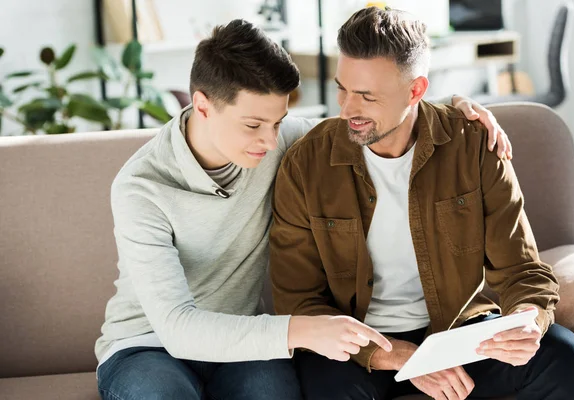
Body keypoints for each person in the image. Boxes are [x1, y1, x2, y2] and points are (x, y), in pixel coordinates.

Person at [95, 18, 513, 400]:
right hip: (148, 345)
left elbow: (380, 117)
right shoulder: (140, 188)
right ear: (202, 105)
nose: (268, 139)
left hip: (247, 342)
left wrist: (456, 107)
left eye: (278, 122)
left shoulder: (282, 142)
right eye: (253, 125)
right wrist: (305, 329)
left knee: (273, 392)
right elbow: (177, 327)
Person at [270, 7, 574, 400]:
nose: (347, 109)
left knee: (561, 355)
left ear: (416, 90)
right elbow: (298, 300)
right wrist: (400, 356)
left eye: (367, 96)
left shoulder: (474, 144)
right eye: (342, 89)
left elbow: (522, 270)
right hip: (355, 347)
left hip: (456, 332)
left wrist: (526, 321)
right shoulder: (307, 163)